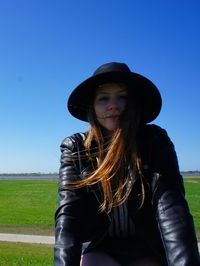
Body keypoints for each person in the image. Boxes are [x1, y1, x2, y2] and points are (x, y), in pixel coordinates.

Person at [54, 62, 200, 266]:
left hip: (147, 246)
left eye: (121, 96)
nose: (113, 104)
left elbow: (171, 209)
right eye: (103, 98)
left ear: (133, 102)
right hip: (101, 245)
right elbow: (69, 215)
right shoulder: (76, 147)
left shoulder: (155, 141)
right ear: (92, 108)